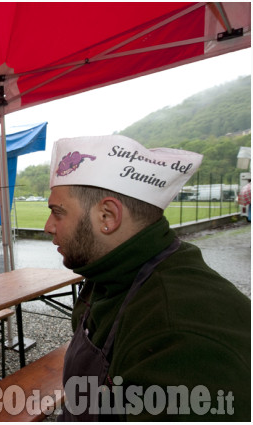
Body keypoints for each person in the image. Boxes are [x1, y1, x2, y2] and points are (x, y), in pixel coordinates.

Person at [44, 135, 250, 421]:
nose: (47, 226)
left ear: (107, 216)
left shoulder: (179, 334)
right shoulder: (106, 271)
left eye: (57, 212)